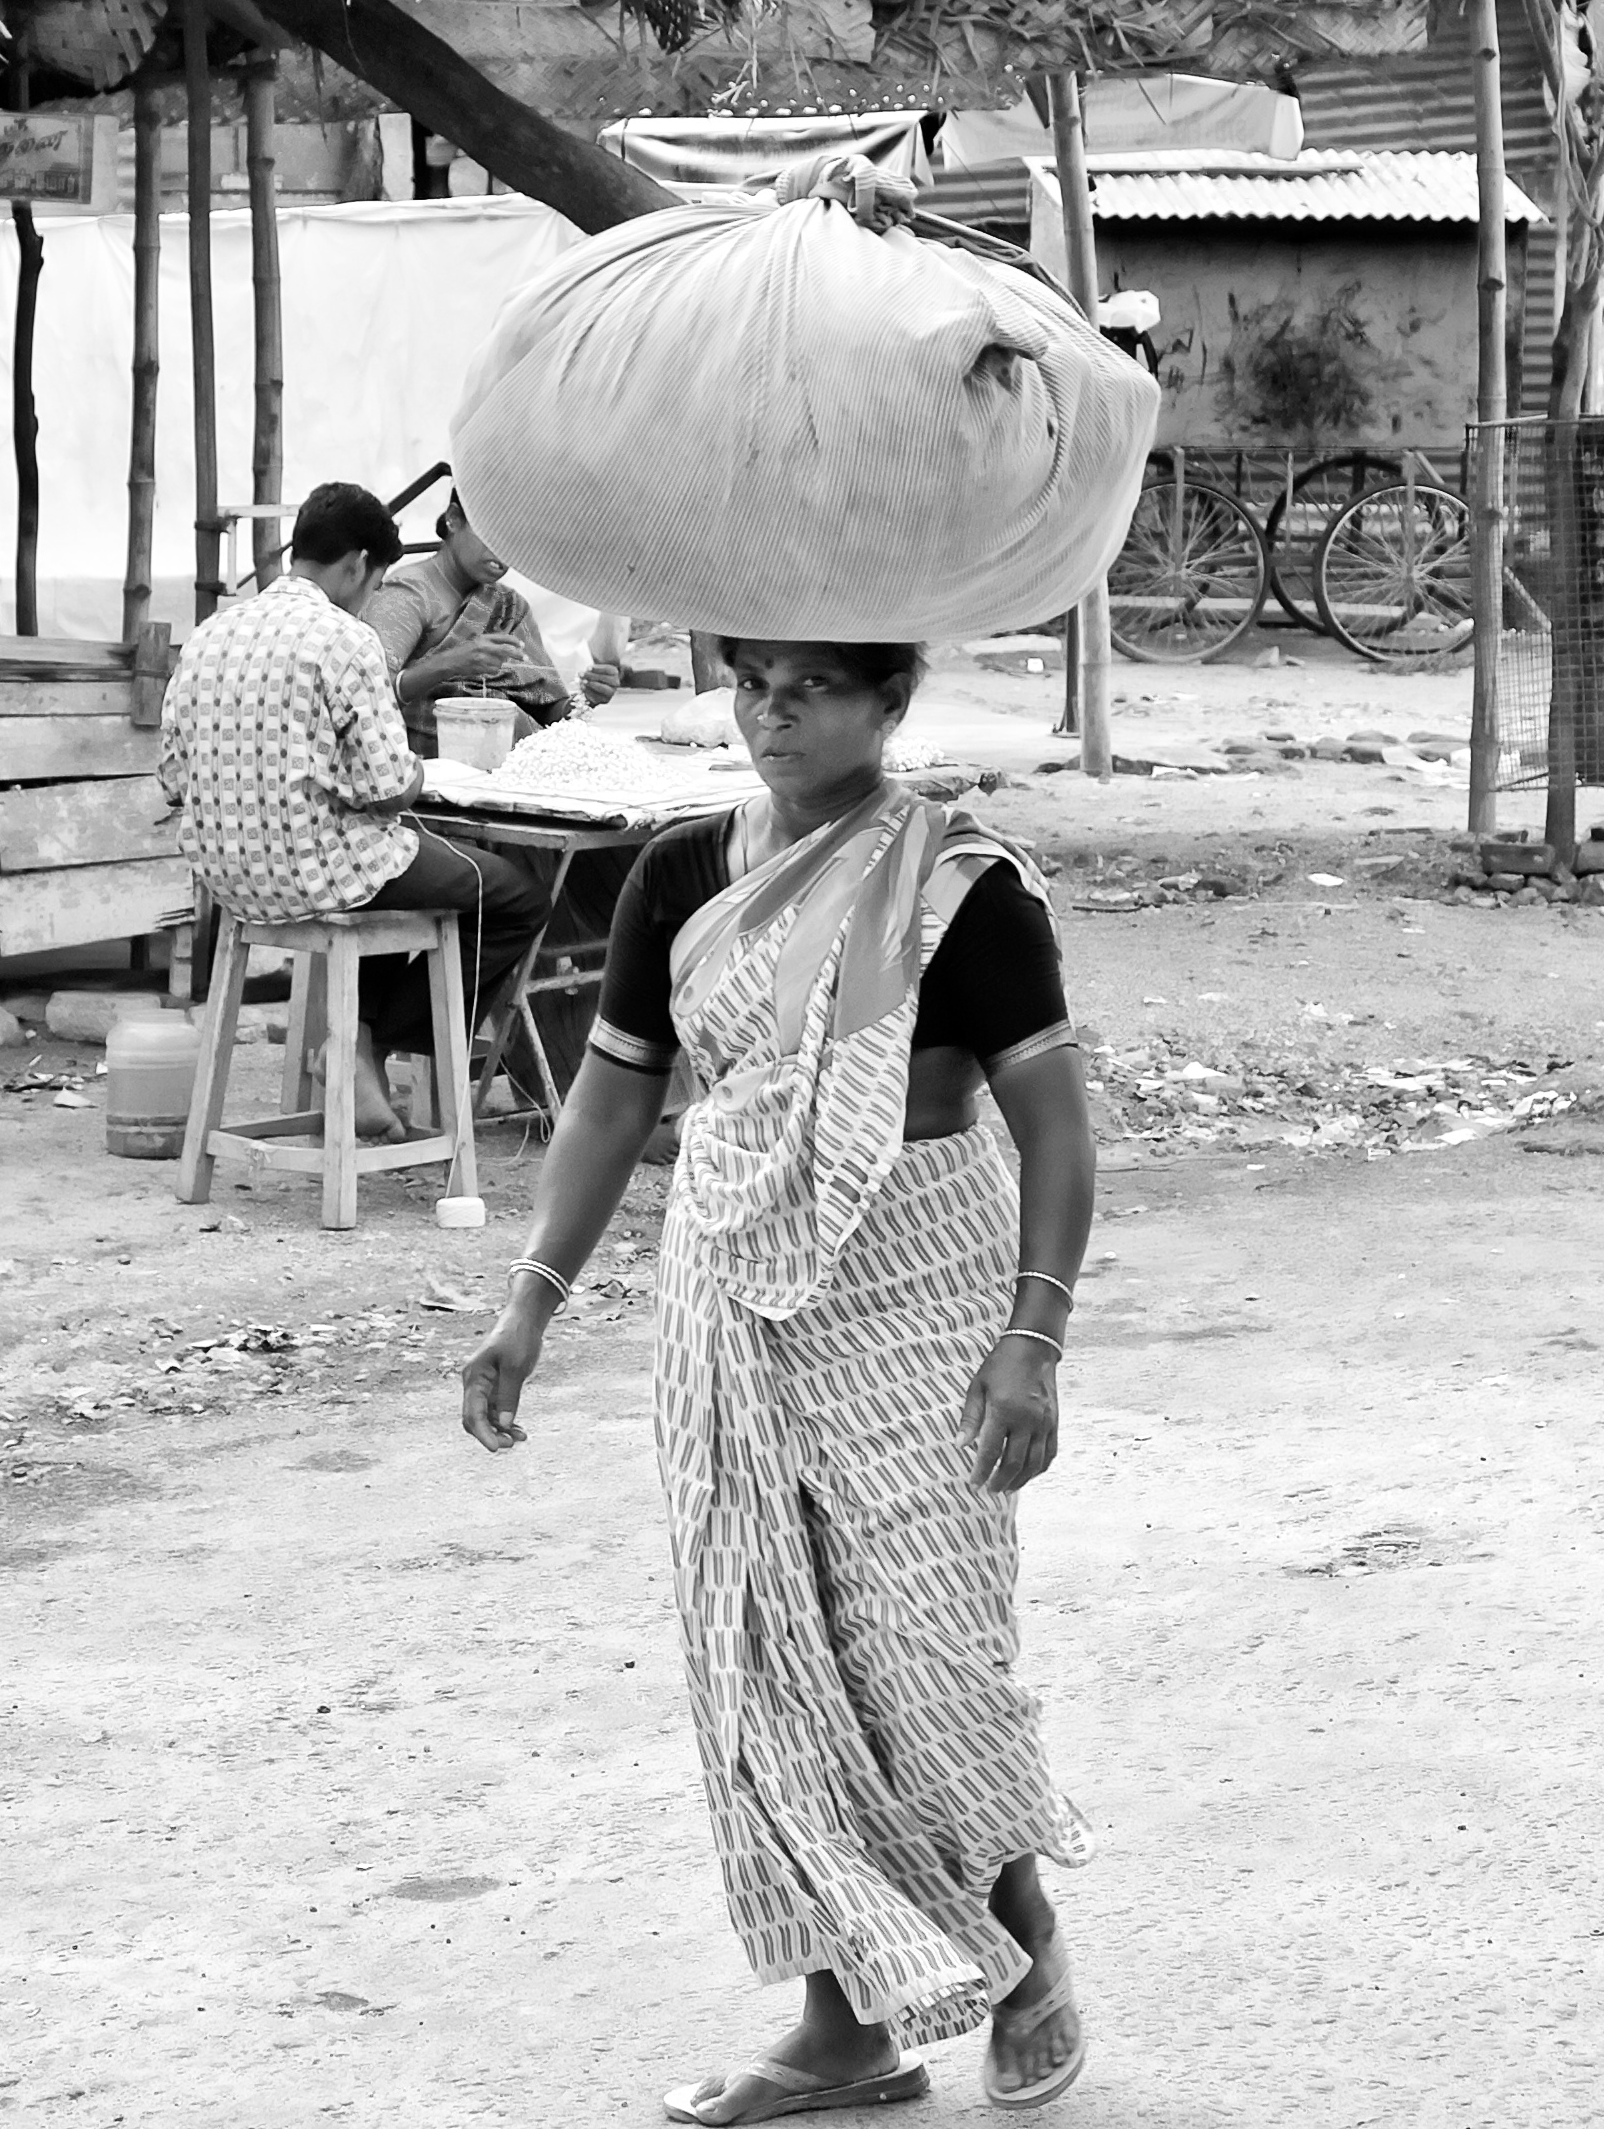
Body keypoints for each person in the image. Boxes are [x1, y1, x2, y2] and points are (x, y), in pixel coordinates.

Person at [458, 639, 1094, 2122]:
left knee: (927, 1648)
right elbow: (615, 1094)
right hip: (724, 1294)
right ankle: (842, 2023)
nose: (773, 712)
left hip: (919, 1280)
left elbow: (1055, 1130)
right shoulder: (676, 872)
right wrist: (528, 1301)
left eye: (815, 686)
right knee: (762, 1646)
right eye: (754, 682)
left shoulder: (957, 885)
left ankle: (1025, 1938)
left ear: (890, 706)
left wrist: (1034, 1335)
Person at [155, 481, 546, 1139]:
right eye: (375, 579)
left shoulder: (208, 636)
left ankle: (356, 1039)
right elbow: (390, 786)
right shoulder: (346, 637)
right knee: (509, 894)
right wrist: (424, 772)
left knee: (402, 873)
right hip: (327, 870)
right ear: (360, 564)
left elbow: (171, 778)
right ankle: (363, 1042)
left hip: (227, 879)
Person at [358, 497, 620, 759]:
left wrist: (587, 698)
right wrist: (451, 662)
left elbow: (550, 714)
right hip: (423, 768)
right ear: (453, 519)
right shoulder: (407, 594)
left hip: (508, 765)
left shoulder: (509, 606)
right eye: (493, 533)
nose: (502, 553)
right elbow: (368, 693)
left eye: (515, 544)